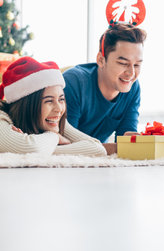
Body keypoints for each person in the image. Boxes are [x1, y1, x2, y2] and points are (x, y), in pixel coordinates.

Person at [63, 23, 147, 153]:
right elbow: (66, 145)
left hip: (98, 163)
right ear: (101, 60)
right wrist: (119, 148)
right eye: (123, 63)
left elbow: (125, 140)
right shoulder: (74, 83)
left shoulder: (132, 88)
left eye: (136, 65)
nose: (131, 73)